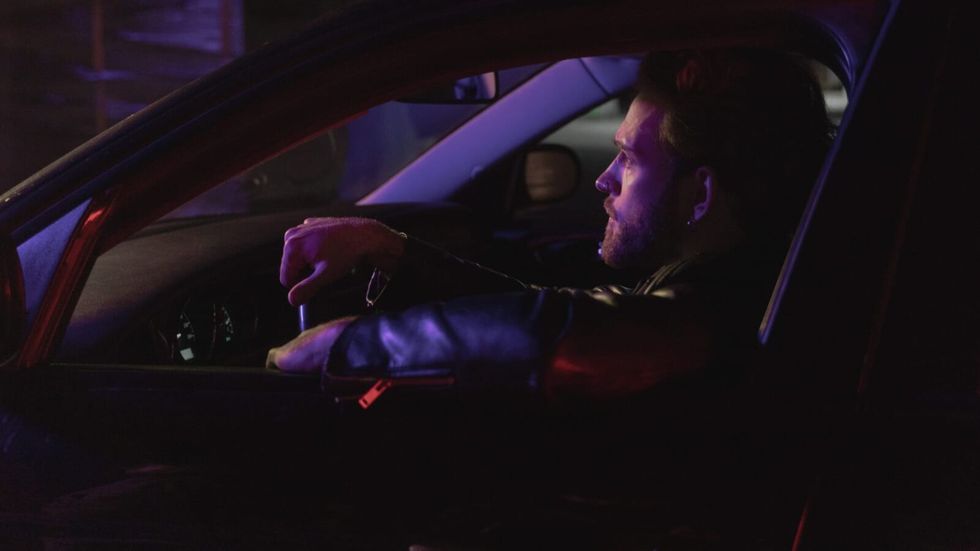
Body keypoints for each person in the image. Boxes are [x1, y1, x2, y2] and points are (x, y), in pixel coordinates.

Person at [266, 49, 834, 407]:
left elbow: (556, 332)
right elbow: (557, 308)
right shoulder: (745, 279)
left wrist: (352, 346)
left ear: (702, 193)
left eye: (630, 161)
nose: (602, 181)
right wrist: (394, 251)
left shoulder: (712, 313)